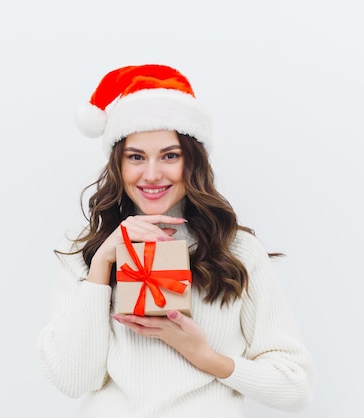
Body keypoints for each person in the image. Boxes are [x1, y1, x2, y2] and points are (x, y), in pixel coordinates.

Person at [36, 64, 315, 417]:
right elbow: (73, 381)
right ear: (118, 166)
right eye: (136, 157)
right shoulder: (84, 248)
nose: (152, 174)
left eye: (170, 155)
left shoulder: (237, 252)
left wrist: (206, 357)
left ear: (192, 161)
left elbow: (296, 387)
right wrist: (103, 263)